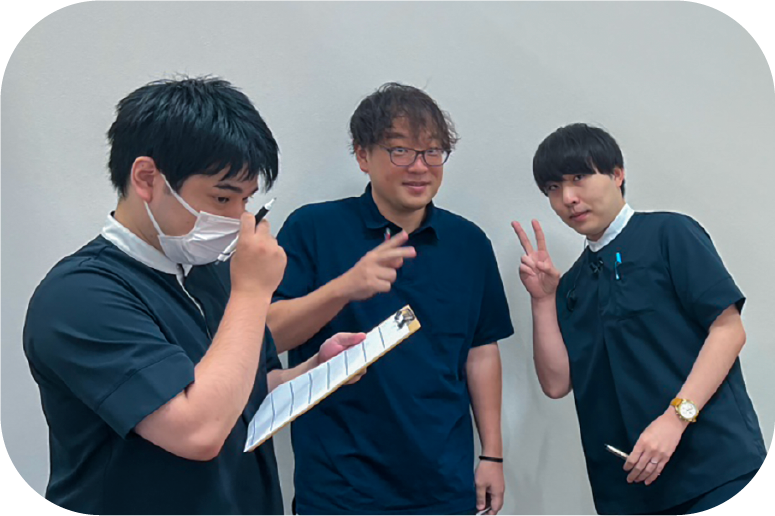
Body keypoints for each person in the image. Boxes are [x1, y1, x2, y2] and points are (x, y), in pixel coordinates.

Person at [23, 77, 364, 516]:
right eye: (222, 197)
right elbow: (197, 432)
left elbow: (246, 393)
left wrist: (316, 370)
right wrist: (252, 290)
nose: (238, 220)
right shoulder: (79, 296)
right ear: (147, 178)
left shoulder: (211, 273)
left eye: (246, 201)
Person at [267, 82, 514, 516]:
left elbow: (480, 349)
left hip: (444, 484)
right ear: (363, 155)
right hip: (339, 488)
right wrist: (345, 287)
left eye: (432, 151)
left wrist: (492, 455)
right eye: (400, 150)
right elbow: (268, 335)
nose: (419, 167)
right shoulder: (313, 228)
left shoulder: (469, 242)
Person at [512, 123, 767, 515]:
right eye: (552, 188)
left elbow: (729, 330)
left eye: (579, 178)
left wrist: (675, 419)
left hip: (714, 469)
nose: (568, 198)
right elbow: (557, 382)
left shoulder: (669, 233)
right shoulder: (573, 283)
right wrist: (544, 300)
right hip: (628, 489)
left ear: (617, 174)